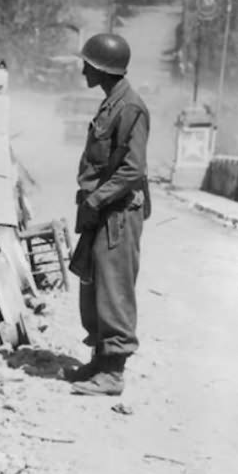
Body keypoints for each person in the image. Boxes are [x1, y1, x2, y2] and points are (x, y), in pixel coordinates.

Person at [66, 32, 151, 397]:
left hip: (116, 214)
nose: (84, 70)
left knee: (114, 290)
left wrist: (96, 200)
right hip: (102, 210)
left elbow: (133, 170)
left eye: (88, 64)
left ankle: (113, 374)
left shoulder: (130, 108)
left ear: (104, 68)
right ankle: (100, 362)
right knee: (94, 287)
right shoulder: (111, 104)